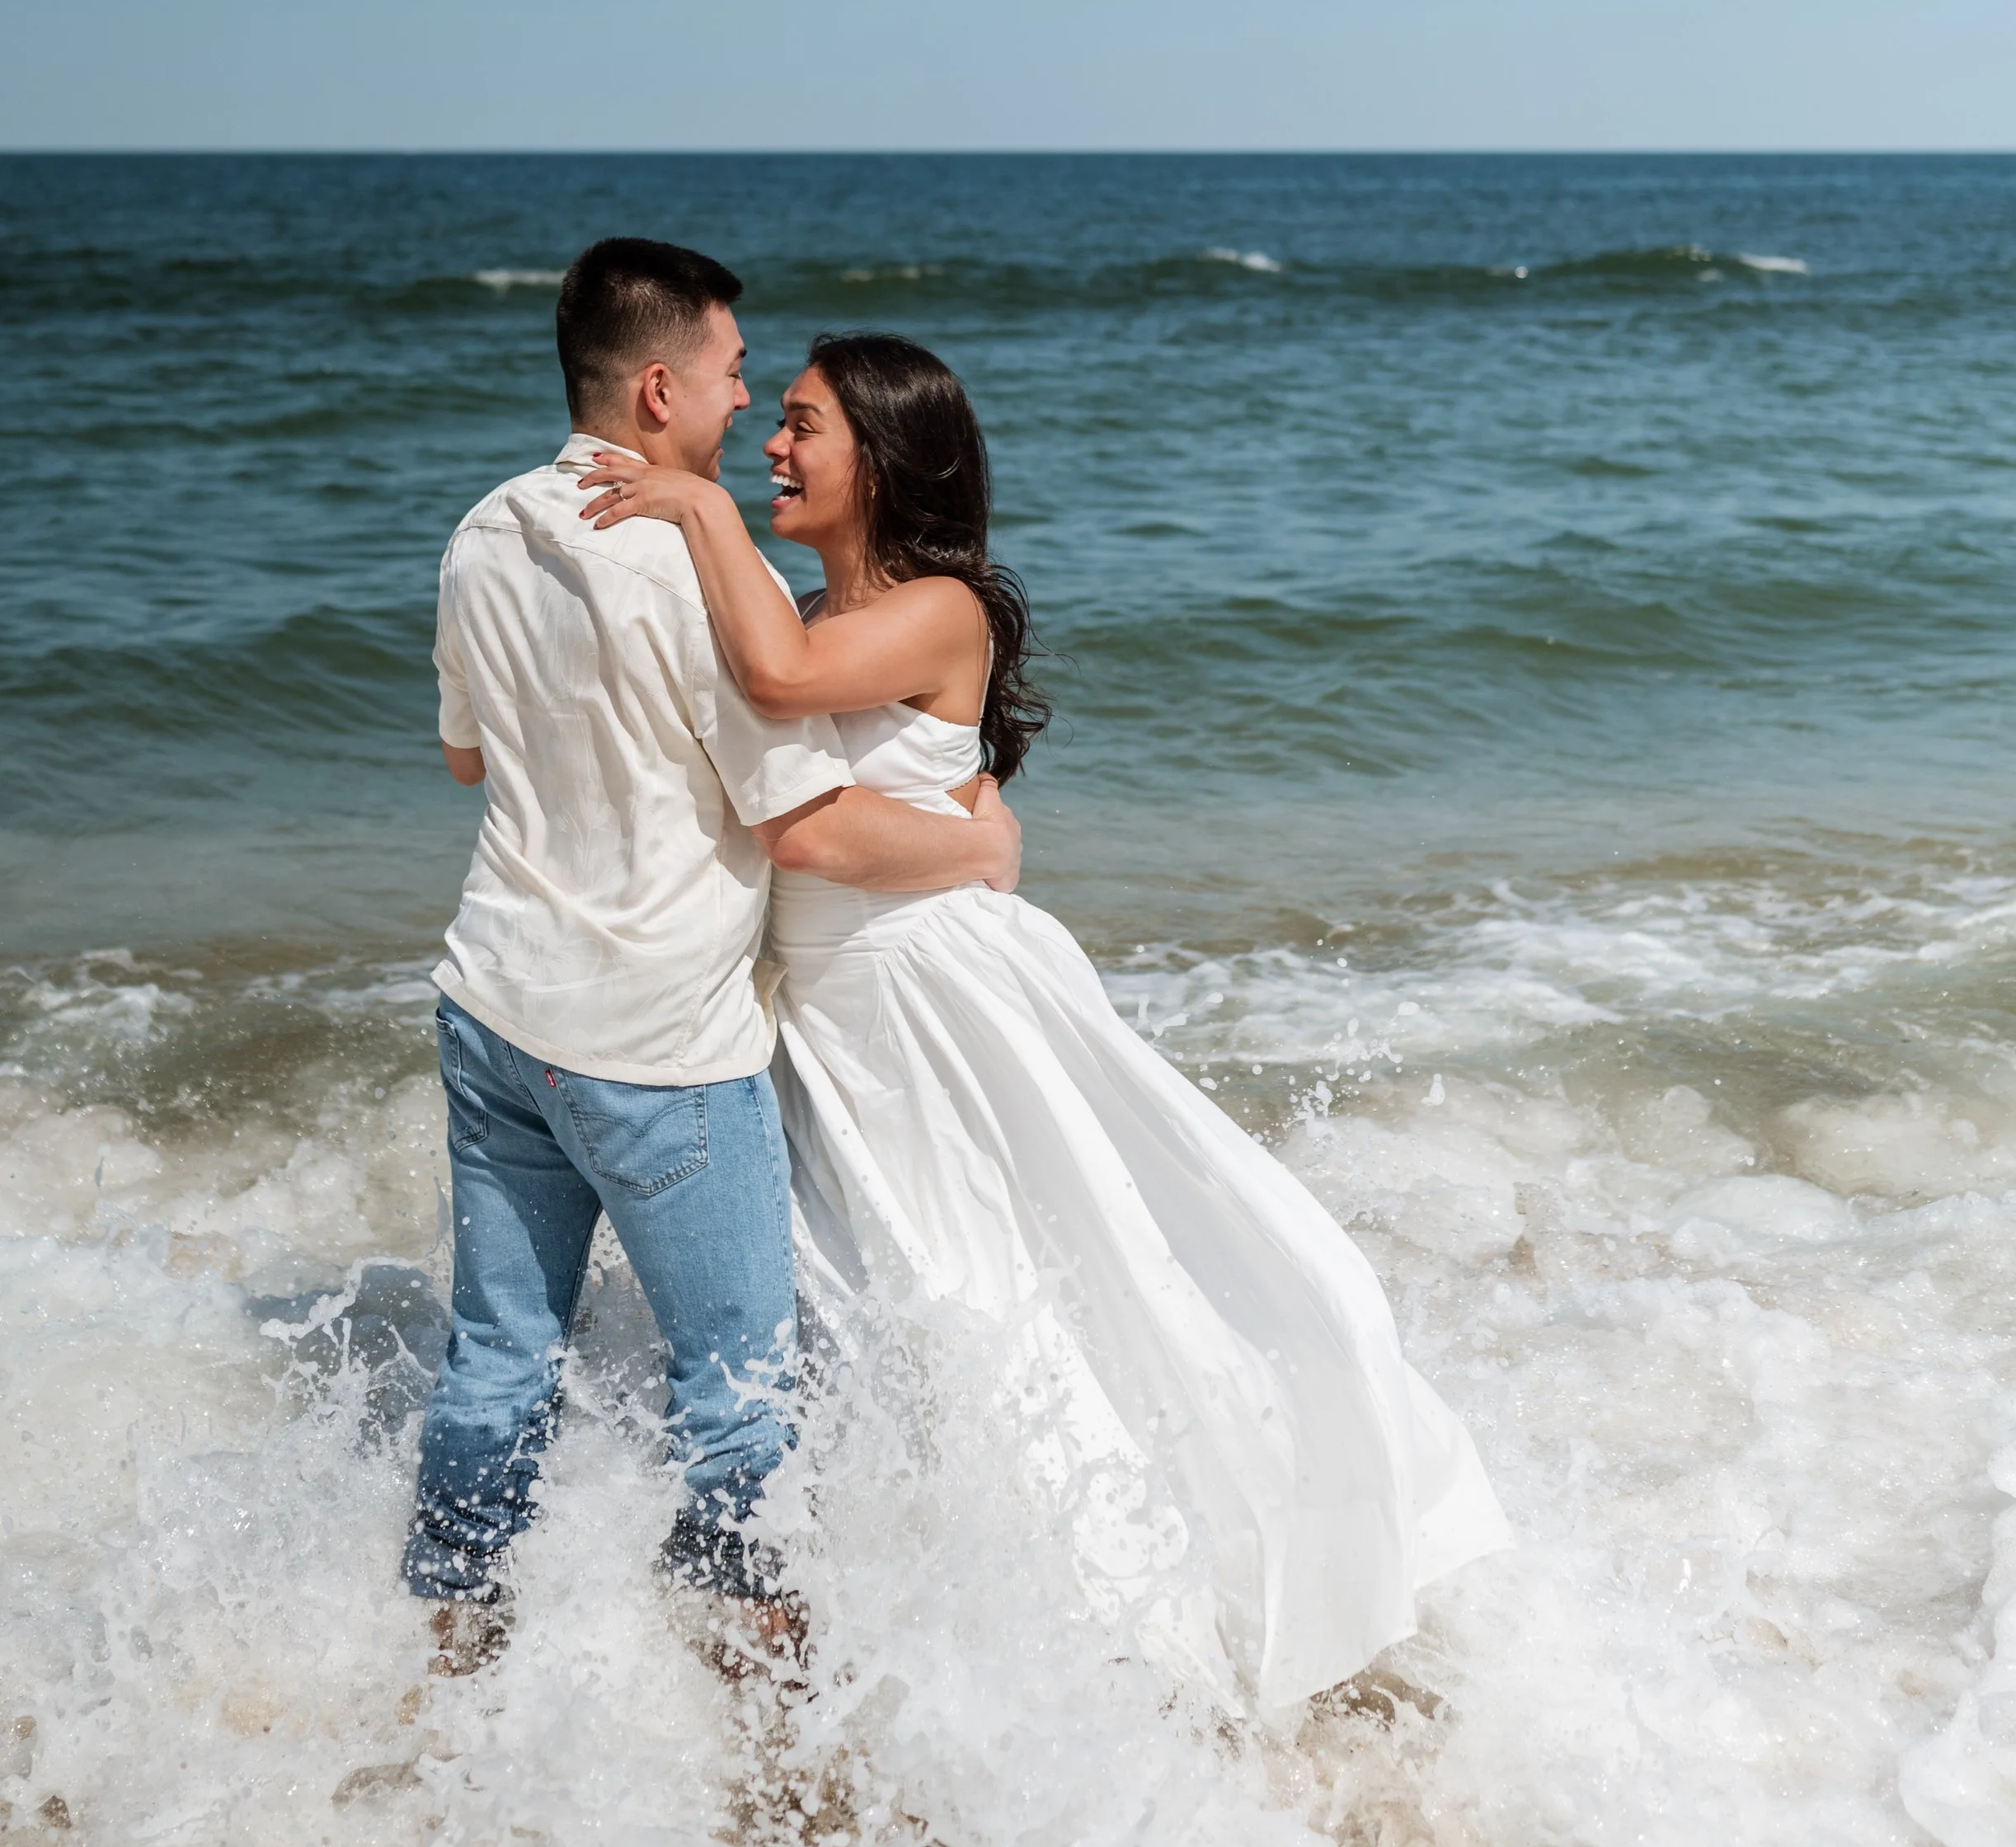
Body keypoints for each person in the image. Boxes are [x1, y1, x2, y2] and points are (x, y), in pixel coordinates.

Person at [580, 331, 1507, 1712]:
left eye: (806, 425)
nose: (774, 447)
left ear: (884, 460)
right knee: (873, 1310)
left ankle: (1136, 1623)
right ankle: (887, 1623)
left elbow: (784, 725)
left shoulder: (943, 609)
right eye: (772, 425)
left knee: (1009, 1292)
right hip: (824, 1022)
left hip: (931, 1007)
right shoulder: (807, 613)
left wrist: (699, 503)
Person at [414, 246, 1019, 1665]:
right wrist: (983, 849)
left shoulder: (482, 530)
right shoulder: (704, 571)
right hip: (655, 1044)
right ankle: (755, 1682)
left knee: (498, 1356)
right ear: (659, 384)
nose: (749, 407)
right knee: (739, 1387)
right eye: (740, 377)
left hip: (492, 1005)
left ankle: (449, 1638)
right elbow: (804, 823)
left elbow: (461, 756)